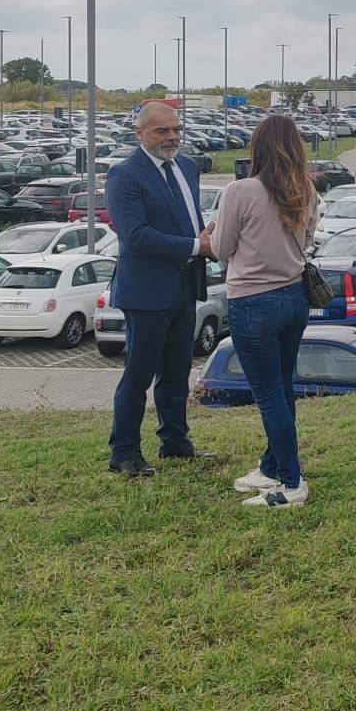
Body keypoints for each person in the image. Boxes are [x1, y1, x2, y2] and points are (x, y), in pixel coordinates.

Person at [207, 115, 319, 508]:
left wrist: (213, 234)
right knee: (282, 386)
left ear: (257, 148)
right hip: (294, 297)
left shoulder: (240, 190)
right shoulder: (306, 189)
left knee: (269, 393)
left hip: (252, 300)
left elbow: (221, 249)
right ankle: (272, 466)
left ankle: (290, 481)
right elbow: (308, 239)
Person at [104, 100, 213, 477]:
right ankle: (124, 452)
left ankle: (175, 442)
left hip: (185, 284)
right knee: (139, 375)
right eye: (162, 131)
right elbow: (135, 236)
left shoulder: (187, 167)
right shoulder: (124, 175)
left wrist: (208, 236)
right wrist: (197, 246)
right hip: (146, 291)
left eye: (176, 129)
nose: (172, 137)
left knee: (177, 370)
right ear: (140, 134)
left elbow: (189, 220)